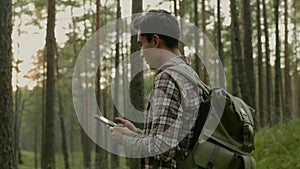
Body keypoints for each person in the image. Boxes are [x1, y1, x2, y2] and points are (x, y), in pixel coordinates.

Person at [108, 10, 204, 169]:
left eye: (141, 44)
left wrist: (125, 139)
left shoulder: (168, 79)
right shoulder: (189, 74)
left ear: (155, 41)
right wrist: (135, 133)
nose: (141, 54)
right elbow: (174, 141)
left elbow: (162, 148)